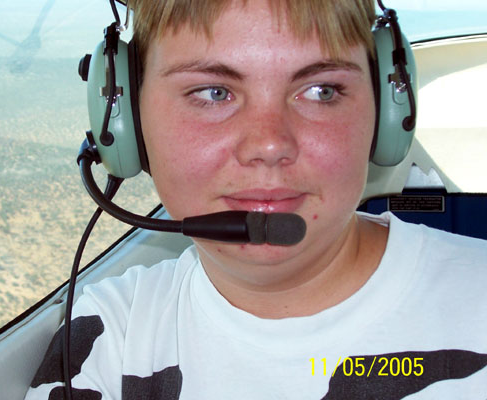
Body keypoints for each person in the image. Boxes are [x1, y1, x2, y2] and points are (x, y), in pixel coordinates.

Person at [25, 0, 487, 398]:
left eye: (321, 91)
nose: (269, 144)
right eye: (213, 92)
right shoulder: (109, 339)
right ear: (126, 122)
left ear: (387, 112)